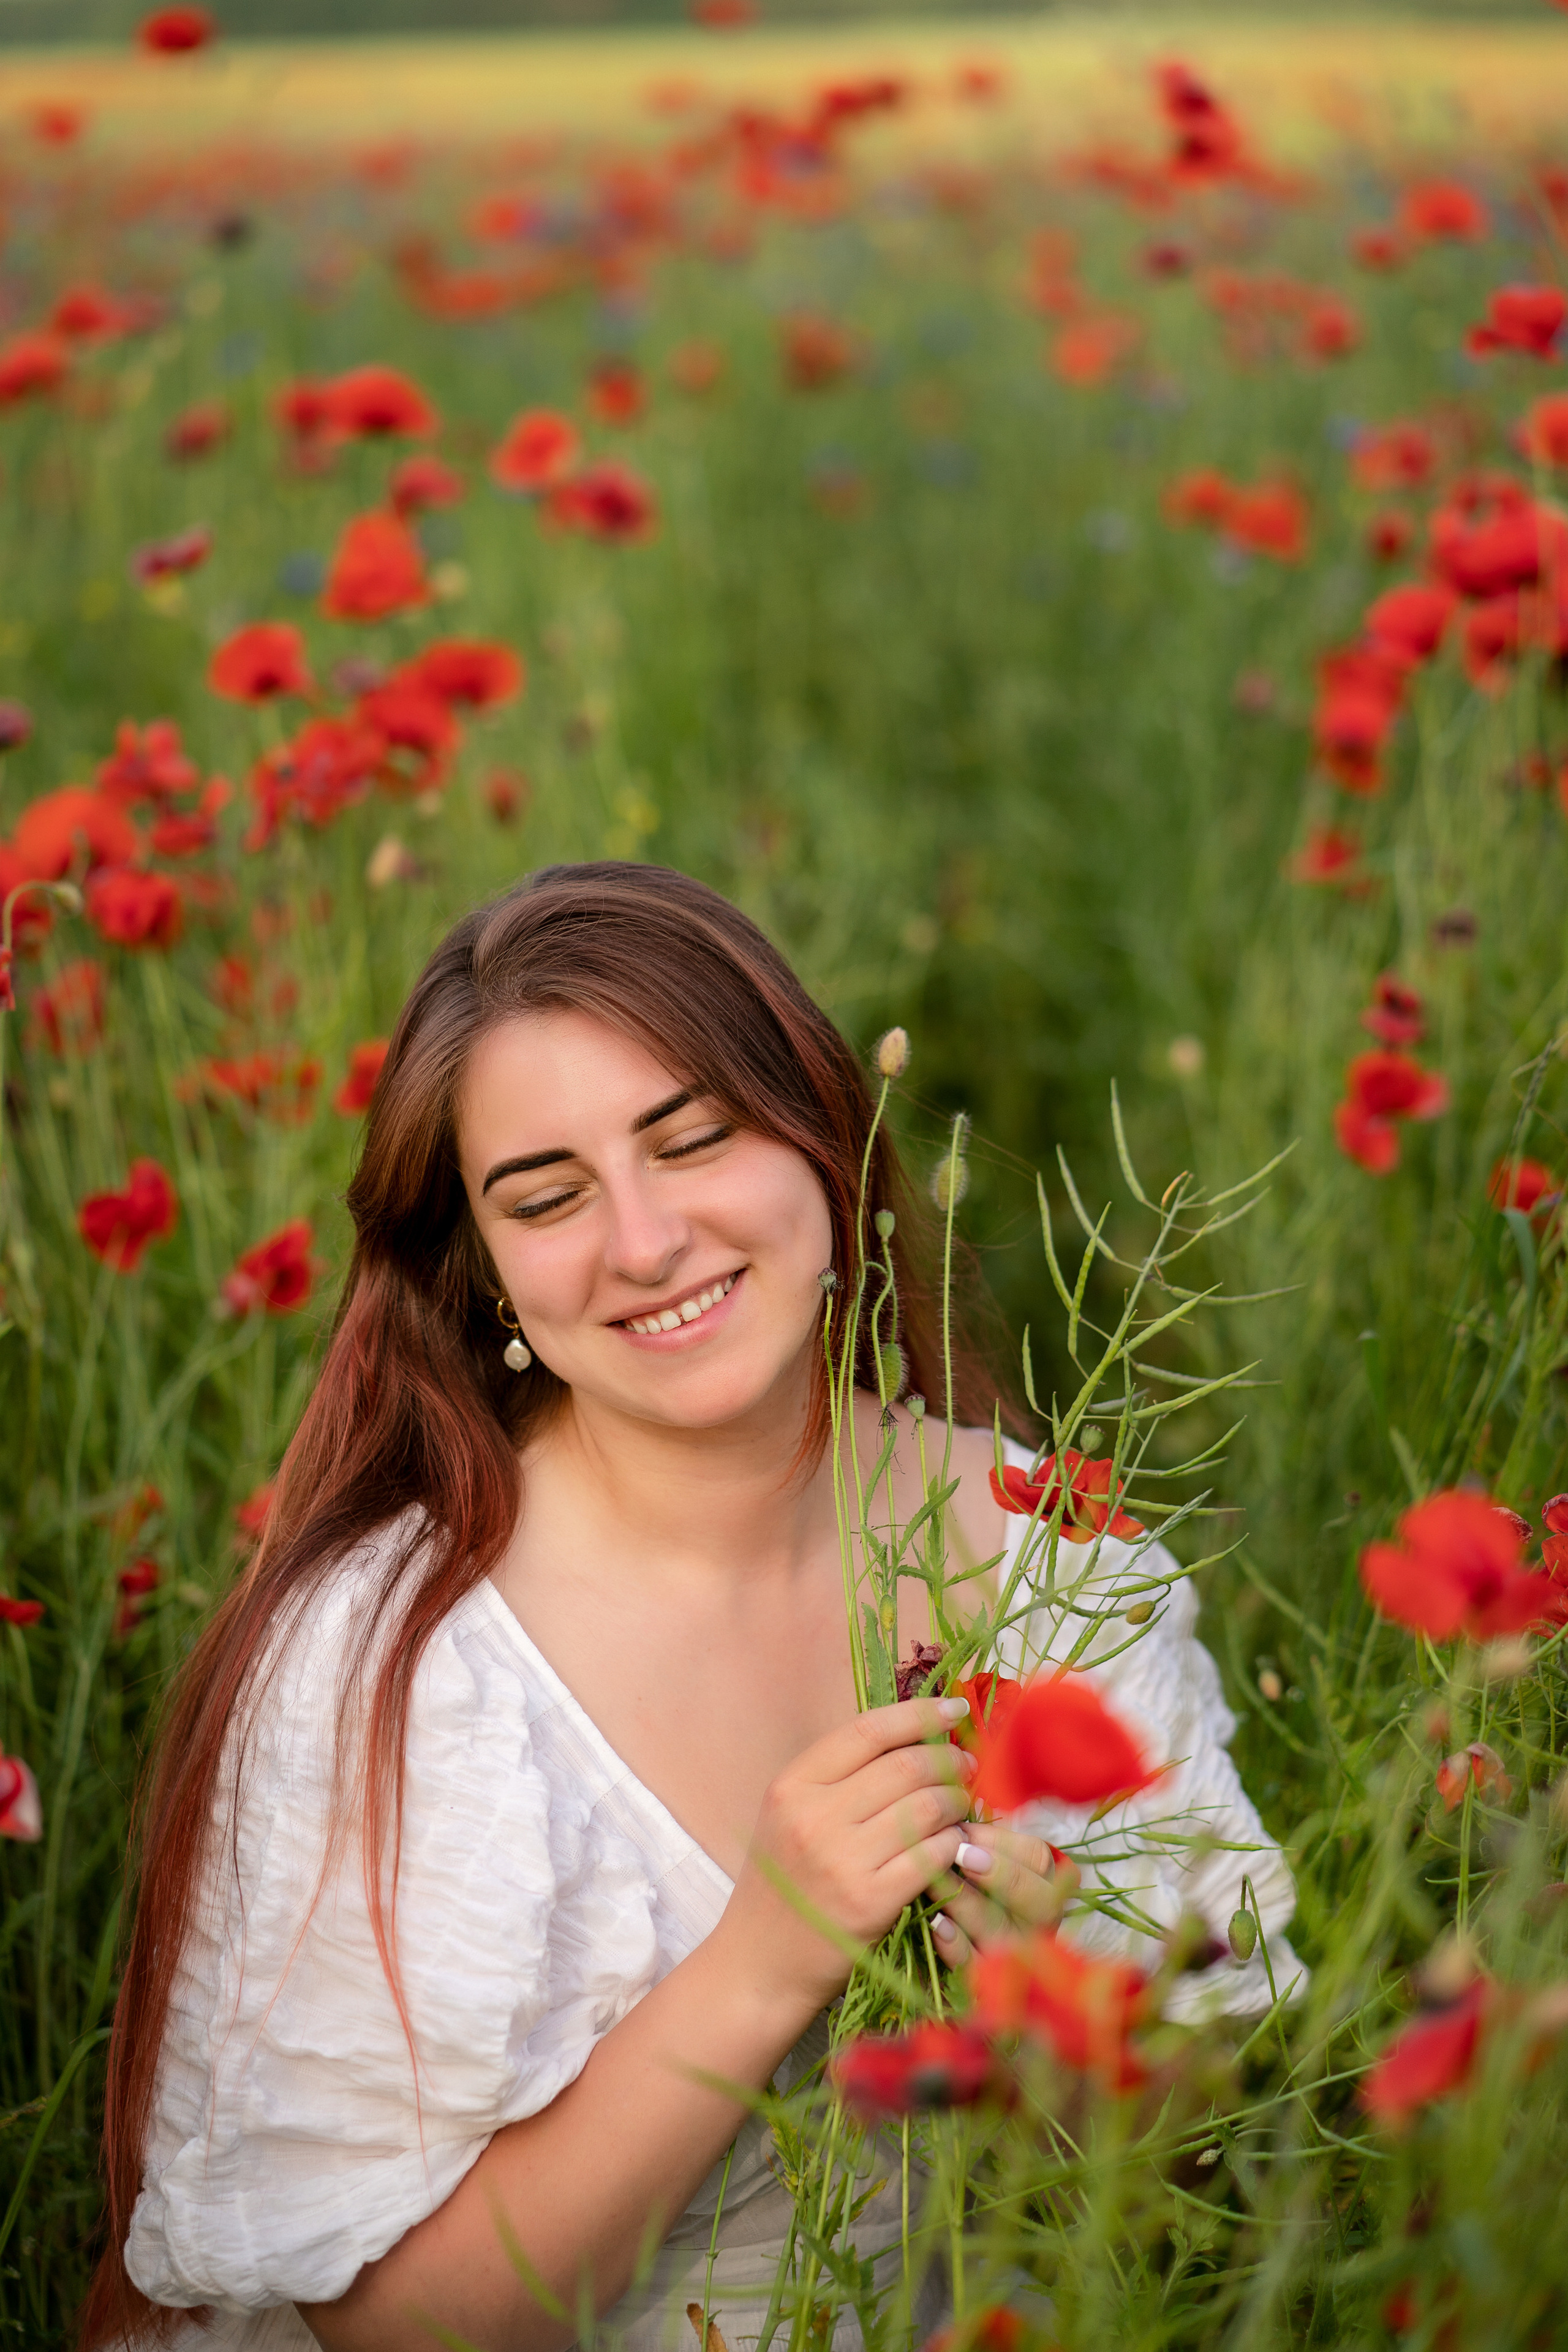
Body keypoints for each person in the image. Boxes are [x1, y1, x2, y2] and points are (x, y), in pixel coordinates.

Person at [85, 864, 1302, 2352]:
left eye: (694, 1138)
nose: (647, 1240)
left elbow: (1205, 2171)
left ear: (819, 1136)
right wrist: (763, 1958)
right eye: (548, 1197)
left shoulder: (1049, 1559)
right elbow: (397, 2331)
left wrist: (1053, 2024)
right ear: (485, 1276)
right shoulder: (400, 1665)